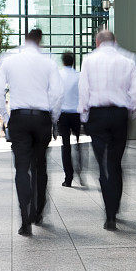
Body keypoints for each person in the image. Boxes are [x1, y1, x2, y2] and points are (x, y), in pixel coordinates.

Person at [0, 29, 63, 236]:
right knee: (40, 166)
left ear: (25, 40)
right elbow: (57, 93)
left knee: (22, 168)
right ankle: (38, 212)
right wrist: (54, 118)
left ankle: (25, 220)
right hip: (41, 118)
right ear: (39, 41)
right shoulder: (48, 62)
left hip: (20, 117)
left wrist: (6, 115)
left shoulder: (9, 59)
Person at [79, 29, 136, 230]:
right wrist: (129, 112)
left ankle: (109, 215)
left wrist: (84, 116)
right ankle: (114, 209)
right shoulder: (128, 59)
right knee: (116, 162)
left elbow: (84, 90)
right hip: (119, 115)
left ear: (97, 43)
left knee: (103, 165)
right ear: (115, 41)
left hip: (97, 116)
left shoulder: (88, 60)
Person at [58, 51, 82, 187]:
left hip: (63, 115)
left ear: (63, 61)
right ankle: (80, 168)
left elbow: (55, 96)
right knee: (78, 143)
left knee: (65, 146)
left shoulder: (59, 75)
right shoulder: (79, 76)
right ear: (73, 62)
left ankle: (68, 177)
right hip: (76, 114)